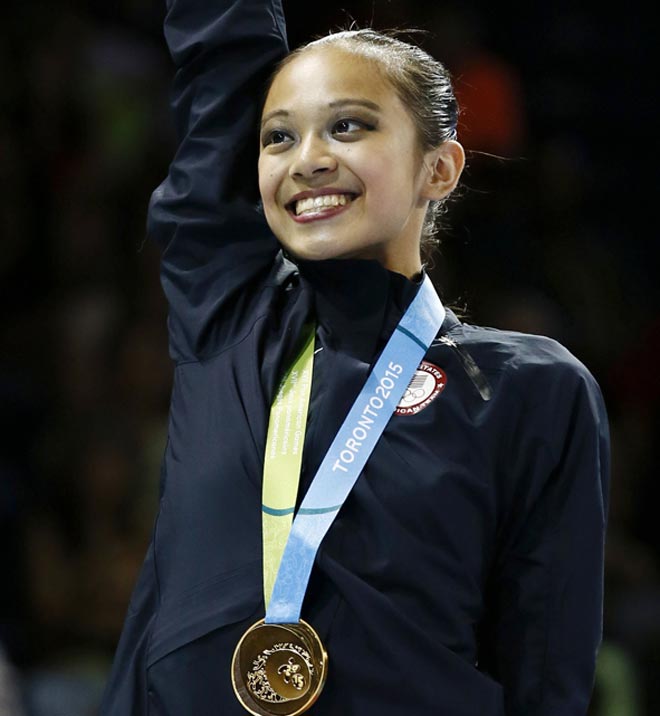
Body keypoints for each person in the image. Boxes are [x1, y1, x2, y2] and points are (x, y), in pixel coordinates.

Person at [100, 1, 610, 714]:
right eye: (279, 137)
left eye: (349, 125)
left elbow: (545, 678)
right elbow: (220, 60)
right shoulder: (231, 324)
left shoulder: (528, 388)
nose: (308, 158)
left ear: (439, 169)